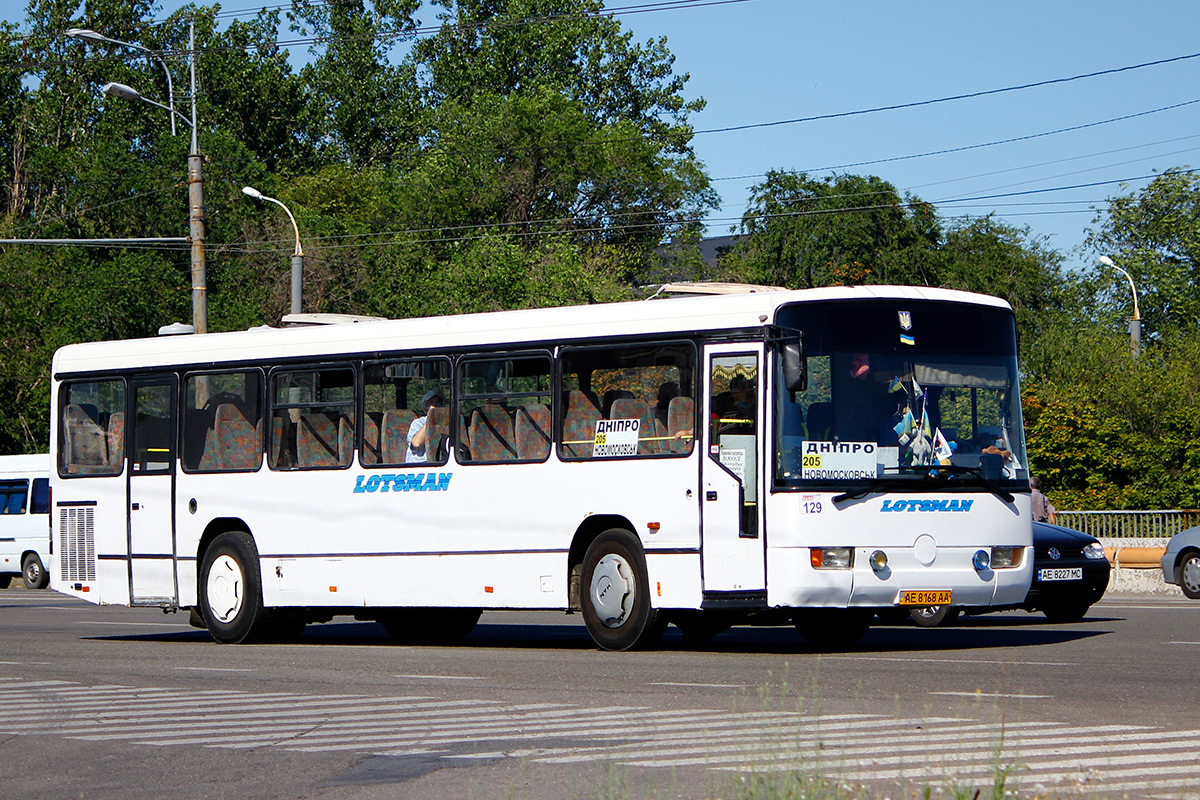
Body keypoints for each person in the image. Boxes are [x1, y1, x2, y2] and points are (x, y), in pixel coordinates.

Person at [405, 390, 442, 464]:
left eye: (438, 402)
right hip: (419, 465)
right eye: (432, 402)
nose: (435, 405)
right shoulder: (418, 423)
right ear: (425, 407)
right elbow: (416, 443)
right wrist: (430, 420)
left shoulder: (445, 423)